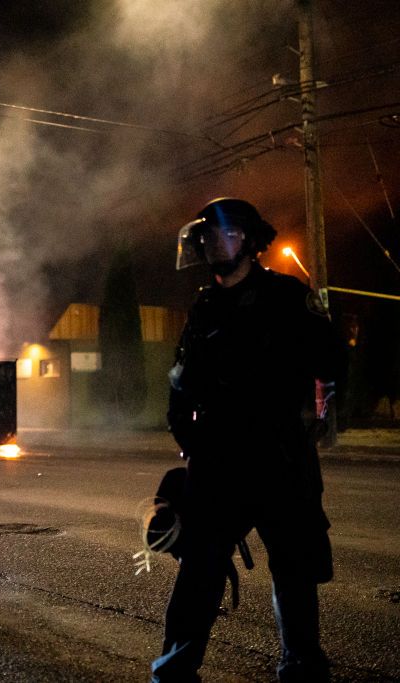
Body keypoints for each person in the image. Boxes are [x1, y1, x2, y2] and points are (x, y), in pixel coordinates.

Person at [152, 198, 344, 682]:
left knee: (295, 574)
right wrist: (190, 443)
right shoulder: (204, 307)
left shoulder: (286, 296)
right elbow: (180, 385)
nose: (219, 243)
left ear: (251, 242)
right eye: (211, 236)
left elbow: (332, 363)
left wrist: (317, 403)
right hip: (220, 465)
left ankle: (301, 670)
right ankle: (174, 672)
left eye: (230, 234)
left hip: (281, 459)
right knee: (199, 573)